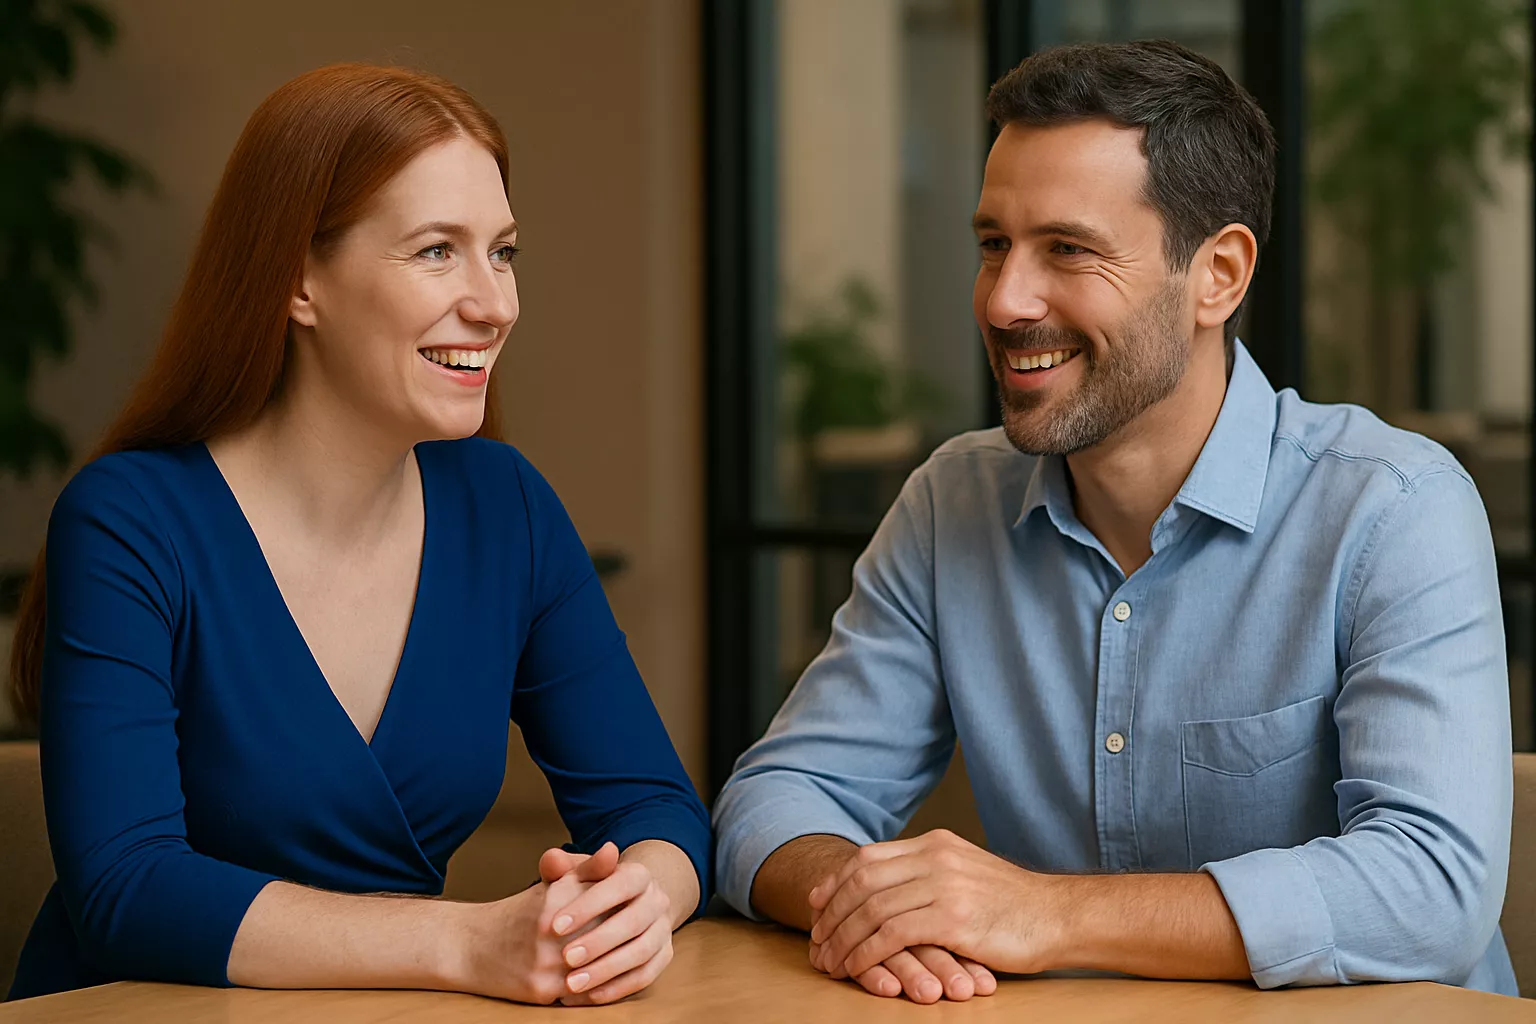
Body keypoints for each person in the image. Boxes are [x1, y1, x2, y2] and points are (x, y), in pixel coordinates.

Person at [713, 39, 1515, 1003]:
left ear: (1218, 275)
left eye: (1068, 250)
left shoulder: (1392, 509)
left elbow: (1429, 888)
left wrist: (1043, 913)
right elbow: (774, 800)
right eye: (993, 244)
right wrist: (874, 902)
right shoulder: (949, 503)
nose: (1006, 299)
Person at [5, 63, 709, 1006]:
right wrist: (466, 941)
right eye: (434, 251)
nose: (494, 302)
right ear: (298, 279)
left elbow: (656, 806)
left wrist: (632, 904)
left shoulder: (507, 507)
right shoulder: (130, 520)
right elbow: (126, 891)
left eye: (502, 251)